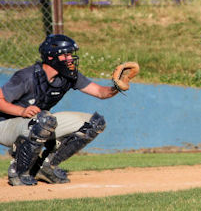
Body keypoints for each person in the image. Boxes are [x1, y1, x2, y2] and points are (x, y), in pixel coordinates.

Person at [0, 34, 119, 186]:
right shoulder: (27, 76)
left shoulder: (68, 76)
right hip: (5, 125)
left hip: (37, 122)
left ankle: (46, 166)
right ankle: (18, 171)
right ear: (52, 57)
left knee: (94, 123)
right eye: (66, 54)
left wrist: (117, 86)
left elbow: (100, 93)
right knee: (44, 120)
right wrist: (21, 111)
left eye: (71, 54)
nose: (70, 58)